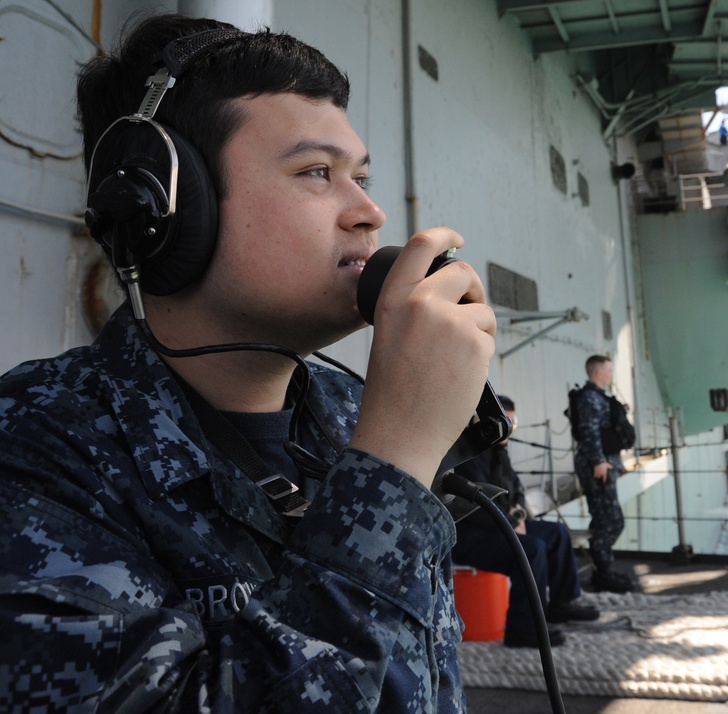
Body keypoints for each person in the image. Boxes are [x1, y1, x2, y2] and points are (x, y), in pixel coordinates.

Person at [0, 14, 498, 713]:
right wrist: (393, 464)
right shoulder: (37, 447)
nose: (369, 212)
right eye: (317, 173)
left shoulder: (361, 411)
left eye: (361, 176)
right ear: (164, 210)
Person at [450, 396, 599, 648]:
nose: (509, 429)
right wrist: (510, 523)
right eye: (505, 422)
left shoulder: (498, 451)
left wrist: (518, 516)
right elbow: (477, 504)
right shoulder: (469, 453)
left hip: (503, 525)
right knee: (532, 550)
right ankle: (523, 628)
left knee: (557, 533)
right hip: (473, 537)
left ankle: (561, 603)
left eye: (512, 423)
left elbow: (515, 489)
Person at [572, 355, 636, 593]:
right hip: (598, 467)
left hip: (606, 464)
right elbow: (589, 433)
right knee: (607, 520)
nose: (610, 375)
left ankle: (603, 567)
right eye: (608, 371)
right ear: (598, 372)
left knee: (608, 519)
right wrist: (599, 462)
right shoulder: (589, 398)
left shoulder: (600, 397)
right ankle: (603, 572)